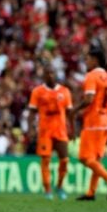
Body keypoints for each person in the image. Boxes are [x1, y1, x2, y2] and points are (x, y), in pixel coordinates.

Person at [72, 47, 107, 201]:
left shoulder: (91, 76)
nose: (85, 61)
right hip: (105, 122)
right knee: (96, 160)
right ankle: (91, 193)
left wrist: (75, 110)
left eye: (87, 59)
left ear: (95, 60)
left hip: (93, 121)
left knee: (84, 158)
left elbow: (89, 99)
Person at [27, 65, 73, 200]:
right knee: (46, 160)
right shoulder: (37, 91)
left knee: (64, 160)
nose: (50, 75)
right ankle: (47, 189)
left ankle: (59, 186)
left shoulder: (65, 91)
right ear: (44, 76)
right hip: (45, 132)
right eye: (48, 73)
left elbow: (70, 113)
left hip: (61, 131)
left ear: (56, 74)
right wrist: (30, 128)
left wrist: (73, 129)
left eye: (52, 72)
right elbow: (31, 112)